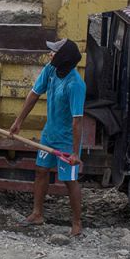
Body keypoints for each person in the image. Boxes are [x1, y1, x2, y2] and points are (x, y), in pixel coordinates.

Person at [10, 38, 85, 236]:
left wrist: (75, 153)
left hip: (67, 140)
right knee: (41, 171)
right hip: (49, 134)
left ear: (64, 58)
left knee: (69, 181)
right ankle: (37, 214)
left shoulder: (76, 85)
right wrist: (19, 121)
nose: (50, 54)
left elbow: (77, 121)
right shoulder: (50, 70)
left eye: (54, 52)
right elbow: (34, 94)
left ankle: (77, 224)